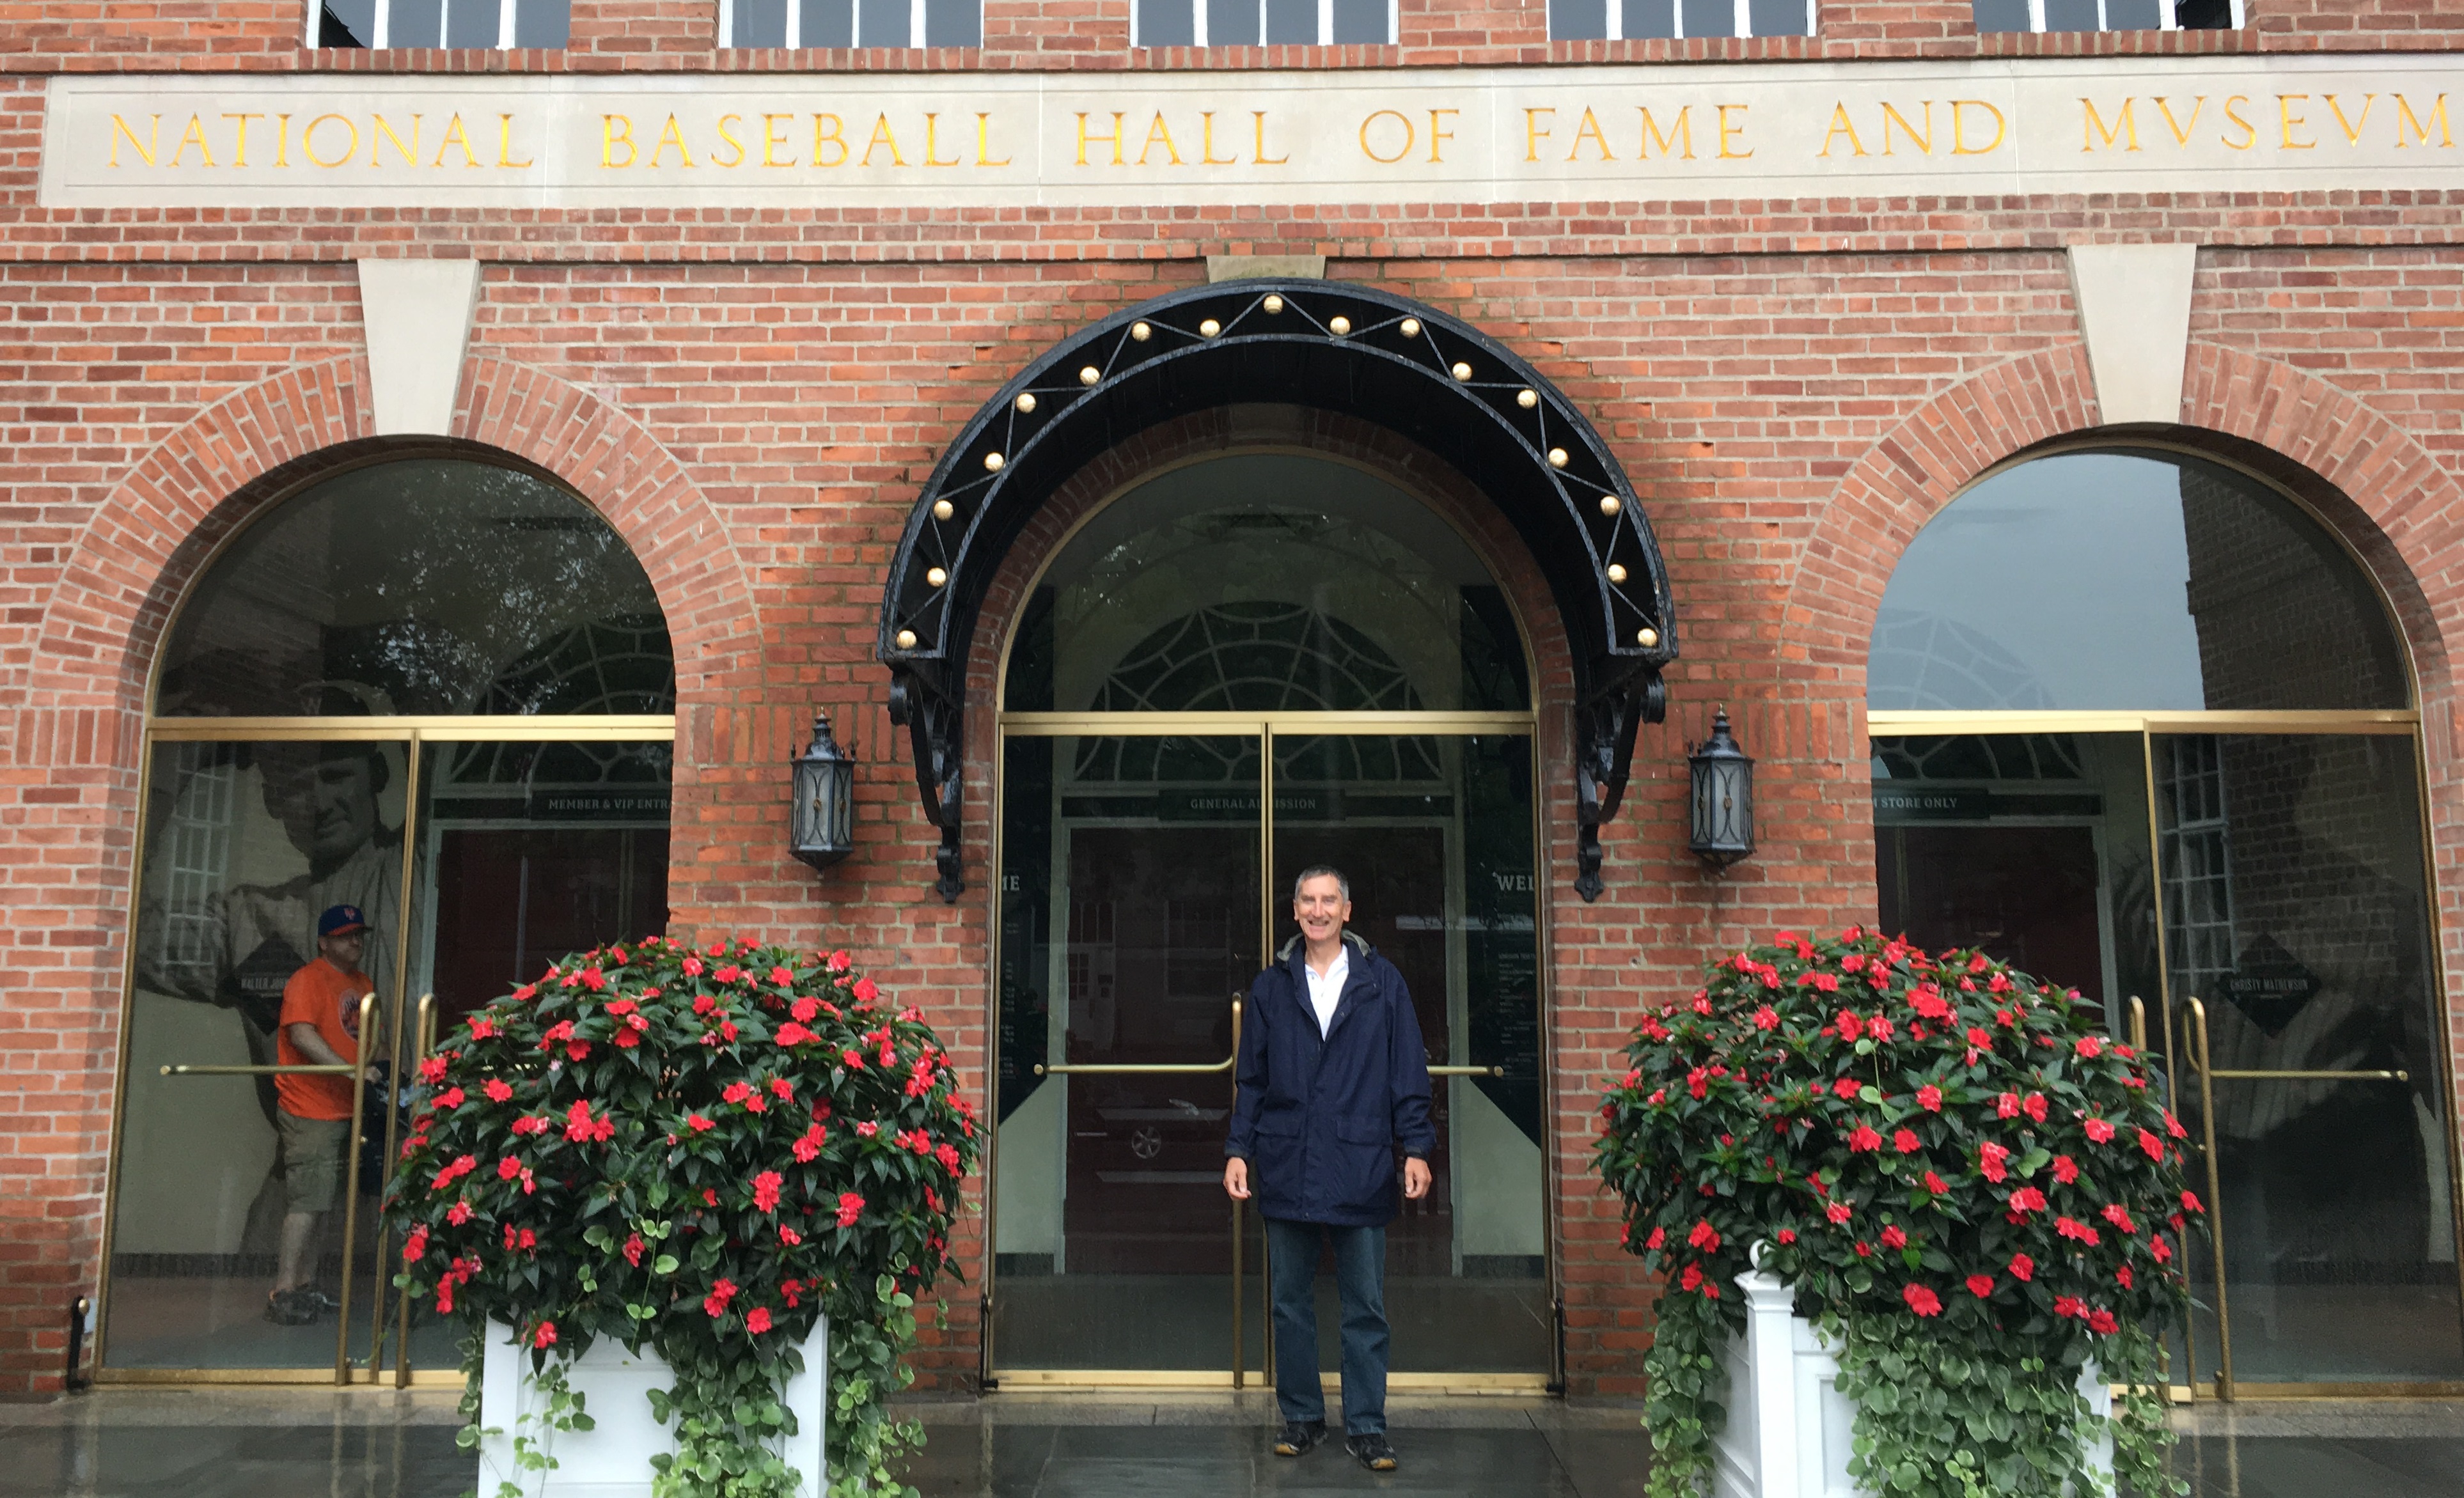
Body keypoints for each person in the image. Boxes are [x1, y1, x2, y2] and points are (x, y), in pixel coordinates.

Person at [1223, 866, 1432, 1473]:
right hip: (1287, 1162)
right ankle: (1302, 1417)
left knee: (1364, 1304)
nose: (1318, 910)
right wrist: (1238, 1149)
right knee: (1290, 1303)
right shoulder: (1271, 987)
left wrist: (1416, 1146)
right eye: (1308, 901)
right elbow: (1251, 1080)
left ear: (1347, 910)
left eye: (1328, 900)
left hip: (1360, 1162)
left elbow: (1406, 1070)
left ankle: (1367, 1426)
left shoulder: (1381, 981)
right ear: (1294, 911)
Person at [264, 904, 382, 1327]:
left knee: (324, 1201)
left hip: (347, 1107)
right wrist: (349, 1070)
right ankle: (283, 1290)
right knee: (308, 1201)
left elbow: (371, 1038)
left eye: (359, 934)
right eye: (345, 935)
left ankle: (305, 1284)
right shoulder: (307, 979)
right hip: (310, 1106)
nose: (355, 941)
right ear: (324, 942)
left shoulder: (362, 983)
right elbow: (301, 1033)